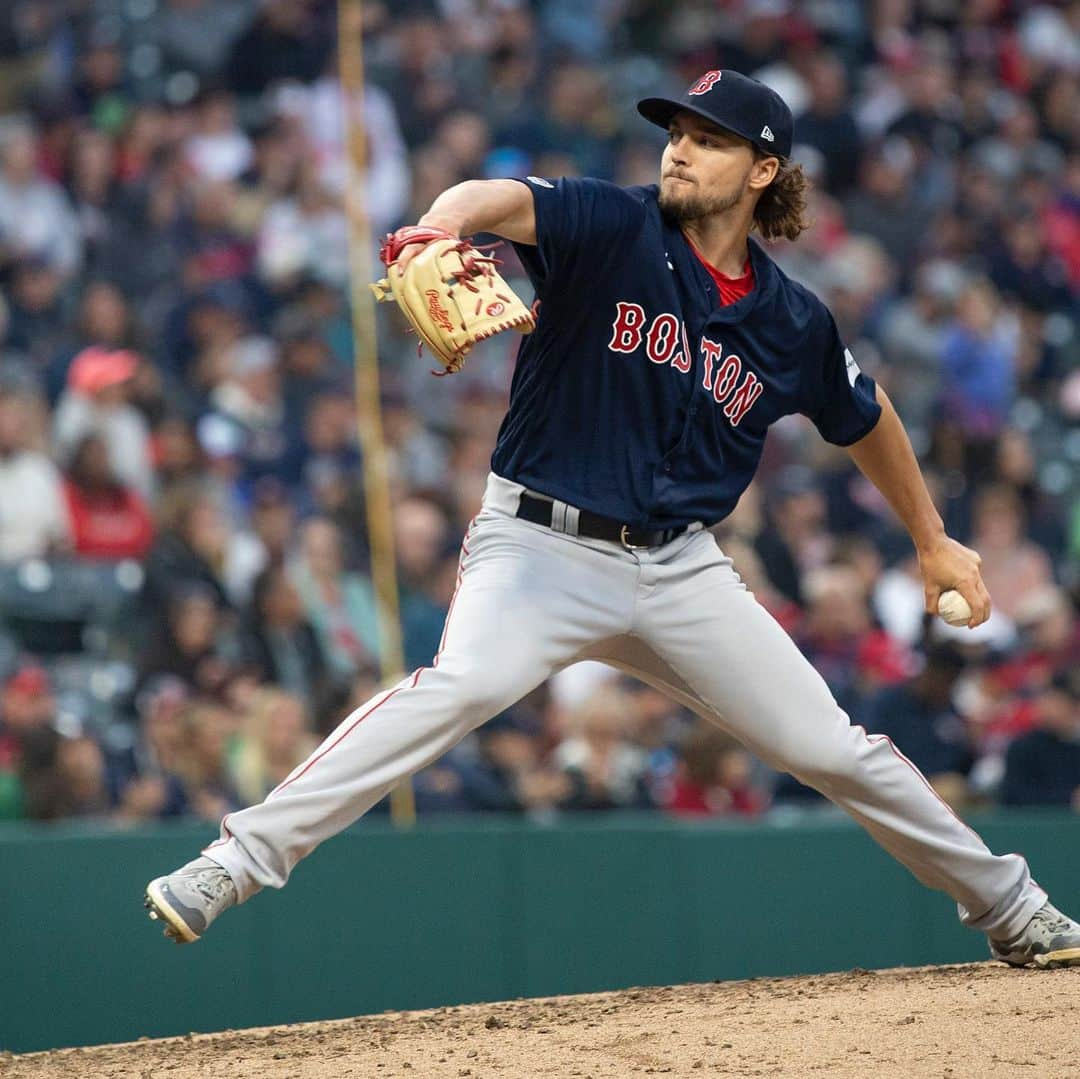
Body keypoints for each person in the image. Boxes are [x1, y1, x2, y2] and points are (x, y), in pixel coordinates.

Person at [146, 70, 1080, 968]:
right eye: (675, 133)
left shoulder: (793, 322)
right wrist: (439, 227)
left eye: (708, 141)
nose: (679, 152)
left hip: (680, 570)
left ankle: (1011, 907)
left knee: (832, 747)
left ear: (763, 172)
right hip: (539, 546)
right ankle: (232, 863)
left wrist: (931, 538)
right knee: (461, 686)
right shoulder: (611, 221)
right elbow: (493, 197)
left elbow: (866, 418)